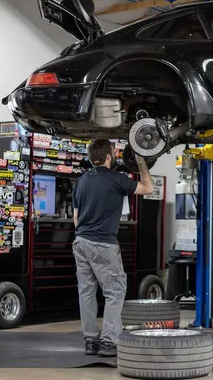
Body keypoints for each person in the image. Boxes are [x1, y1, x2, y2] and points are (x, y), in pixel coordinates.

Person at [72, 140, 154, 357]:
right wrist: (141, 162)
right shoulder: (117, 179)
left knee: (87, 292)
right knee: (115, 291)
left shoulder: (81, 181)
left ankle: (90, 341)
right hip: (103, 243)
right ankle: (109, 342)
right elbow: (148, 187)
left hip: (80, 243)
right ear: (108, 157)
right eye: (113, 153)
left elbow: (76, 218)